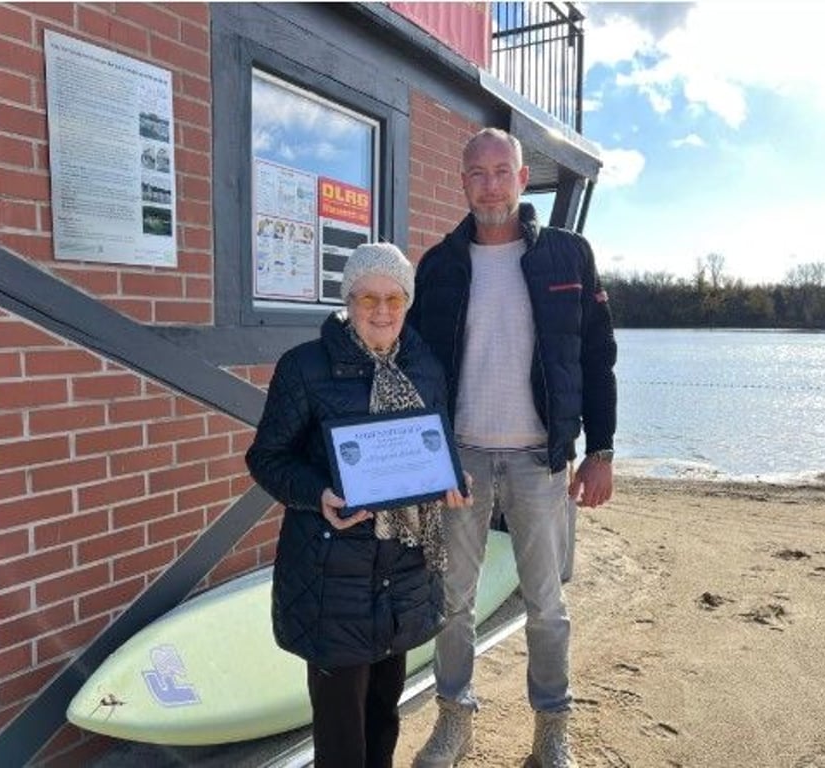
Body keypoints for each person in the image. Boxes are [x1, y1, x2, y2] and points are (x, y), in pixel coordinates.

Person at [406, 127, 618, 768]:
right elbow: (418, 370)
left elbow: (596, 354)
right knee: (452, 602)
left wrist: (601, 450)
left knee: (547, 606)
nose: (490, 184)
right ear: (463, 181)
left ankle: (552, 731)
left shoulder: (568, 256)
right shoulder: (439, 265)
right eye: (478, 173)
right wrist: (426, 455)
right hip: (461, 461)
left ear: (523, 179)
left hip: (540, 460)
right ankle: (453, 723)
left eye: (503, 171)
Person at [245, 243, 471, 768]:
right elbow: (267, 458)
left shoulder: (425, 367)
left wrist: (450, 477)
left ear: (408, 302)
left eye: (394, 297)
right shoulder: (304, 368)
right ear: (348, 300)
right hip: (333, 579)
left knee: (384, 717)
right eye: (367, 296)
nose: (382, 310)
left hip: (404, 574)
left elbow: (436, 441)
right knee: (341, 734)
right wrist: (317, 493)